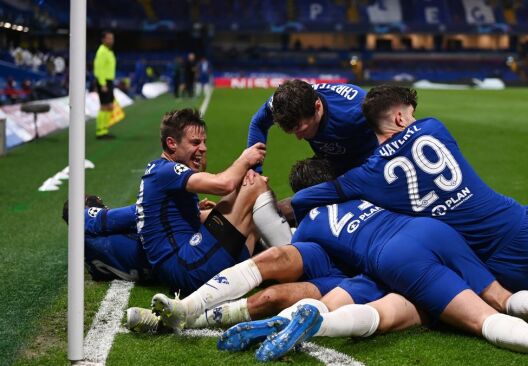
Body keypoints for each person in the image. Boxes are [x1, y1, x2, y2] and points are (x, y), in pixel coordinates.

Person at [147, 159, 528, 365]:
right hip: (437, 232)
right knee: (494, 297)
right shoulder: (369, 191)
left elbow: (281, 244)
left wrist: (254, 199)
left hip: (391, 263)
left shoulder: (312, 225)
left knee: (438, 317)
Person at [291, 86, 528, 297]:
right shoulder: (434, 128)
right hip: (515, 227)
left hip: (482, 262)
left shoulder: (366, 177)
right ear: (401, 118)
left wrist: (286, 204)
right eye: (409, 113)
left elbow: (321, 193)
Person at [135, 108, 291, 294]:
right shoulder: (165, 171)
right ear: (171, 144)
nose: (203, 148)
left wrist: (213, 212)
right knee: (255, 185)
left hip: (190, 261)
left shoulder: (162, 173)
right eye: (195, 142)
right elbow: (224, 184)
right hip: (185, 267)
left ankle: (282, 256)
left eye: (204, 142)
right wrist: (245, 160)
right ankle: (292, 259)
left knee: (253, 205)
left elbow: (178, 221)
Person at [247, 79, 376, 176]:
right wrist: (254, 170)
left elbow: (394, 129)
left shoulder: (356, 107)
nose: (298, 138)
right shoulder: (282, 101)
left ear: (317, 106)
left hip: (369, 164)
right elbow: (258, 122)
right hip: (334, 162)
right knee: (301, 182)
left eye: (301, 129)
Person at [93, 31, 117, 139]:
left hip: (109, 81)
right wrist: (102, 83)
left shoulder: (108, 51)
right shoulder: (102, 51)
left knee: (109, 106)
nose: (111, 40)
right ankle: (100, 131)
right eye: (109, 38)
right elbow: (99, 69)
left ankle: (105, 130)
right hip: (104, 81)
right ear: (103, 40)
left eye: (112, 38)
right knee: (104, 106)